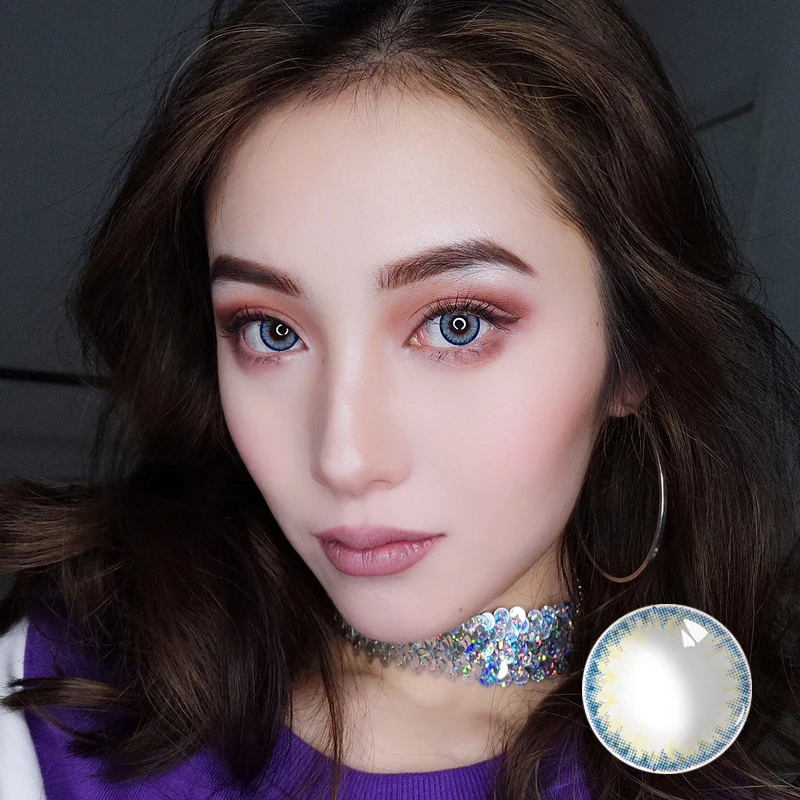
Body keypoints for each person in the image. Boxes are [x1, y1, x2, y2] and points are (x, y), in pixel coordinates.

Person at [1, 0, 799, 797]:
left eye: (456, 324)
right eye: (271, 332)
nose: (344, 458)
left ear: (637, 353)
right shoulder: (63, 698)